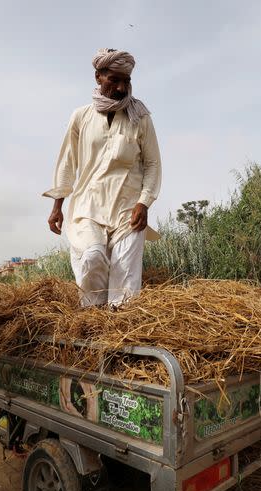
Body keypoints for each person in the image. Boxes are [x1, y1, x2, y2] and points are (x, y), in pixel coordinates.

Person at [43, 48, 162, 307]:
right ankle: (91, 319)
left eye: (126, 81)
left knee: (125, 283)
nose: (121, 88)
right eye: (114, 80)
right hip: (88, 208)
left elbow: (152, 164)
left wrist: (144, 203)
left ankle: (120, 333)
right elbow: (67, 163)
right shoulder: (81, 117)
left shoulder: (139, 117)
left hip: (127, 211)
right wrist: (57, 208)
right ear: (98, 77)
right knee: (92, 256)